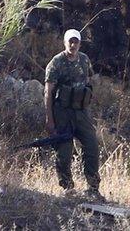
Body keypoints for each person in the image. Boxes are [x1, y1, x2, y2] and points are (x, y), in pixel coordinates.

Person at [44, 29, 104, 201]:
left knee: (91, 146)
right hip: (62, 112)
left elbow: (89, 80)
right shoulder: (56, 63)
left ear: (79, 43)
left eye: (76, 41)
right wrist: (50, 119)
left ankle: (93, 188)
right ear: (65, 42)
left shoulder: (84, 59)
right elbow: (48, 92)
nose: (73, 45)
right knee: (64, 152)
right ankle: (68, 189)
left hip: (81, 112)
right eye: (70, 41)